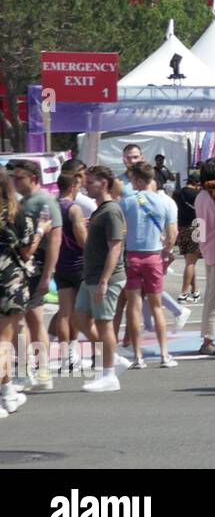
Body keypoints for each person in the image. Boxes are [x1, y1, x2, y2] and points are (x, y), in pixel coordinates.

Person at [72, 166, 127, 394]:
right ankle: (112, 357)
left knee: (104, 324)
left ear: (104, 183)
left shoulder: (111, 211)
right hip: (91, 275)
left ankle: (109, 375)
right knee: (79, 319)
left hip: (105, 277)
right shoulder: (100, 211)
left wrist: (105, 280)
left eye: (91, 182)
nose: (86, 185)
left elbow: (116, 247)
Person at [6, 159, 60, 391]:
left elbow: (55, 238)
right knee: (23, 321)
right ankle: (29, 370)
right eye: (13, 178)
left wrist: (48, 274)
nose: (15, 182)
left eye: (20, 178)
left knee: (33, 319)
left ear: (34, 179)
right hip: (25, 267)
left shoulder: (45, 201)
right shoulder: (23, 202)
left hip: (36, 267)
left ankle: (41, 371)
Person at [119, 162, 179, 369]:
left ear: (137, 179)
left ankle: (137, 356)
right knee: (156, 307)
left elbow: (120, 231)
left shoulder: (126, 202)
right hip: (154, 256)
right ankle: (164, 354)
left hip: (132, 256)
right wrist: (166, 251)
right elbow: (172, 235)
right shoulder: (166, 203)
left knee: (133, 307)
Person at [0, 167, 46, 414]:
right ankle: (4, 394)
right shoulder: (18, 214)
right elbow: (27, 252)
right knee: (4, 341)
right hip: (9, 280)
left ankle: (7, 393)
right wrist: (40, 232)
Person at [53, 172, 88, 372]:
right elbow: (83, 240)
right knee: (79, 313)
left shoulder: (52, 207)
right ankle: (73, 353)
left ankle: (66, 357)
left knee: (64, 313)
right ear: (72, 187)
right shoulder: (74, 209)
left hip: (60, 263)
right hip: (78, 263)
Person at [195, 157, 215, 356]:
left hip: (207, 247)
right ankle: (208, 338)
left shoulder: (200, 196)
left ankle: (212, 335)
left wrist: (200, 244)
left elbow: (197, 225)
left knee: (213, 293)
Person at [174, 170, 202, 302]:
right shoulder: (199, 194)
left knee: (189, 262)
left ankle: (195, 290)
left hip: (182, 228)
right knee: (191, 262)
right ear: (197, 183)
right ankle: (184, 292)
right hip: (196, 227)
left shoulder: (178, 193)